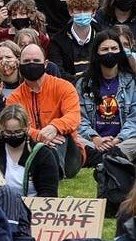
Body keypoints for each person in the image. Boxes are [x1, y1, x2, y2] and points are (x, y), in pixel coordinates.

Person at [74, 31, 136, 165]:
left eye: (114, 48)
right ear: (96, 53)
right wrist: (95, 138)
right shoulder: (84, 83)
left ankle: (102, 156)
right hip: (93, 141)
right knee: (71, 138)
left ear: (120, 51)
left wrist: (118, 140)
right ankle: (116, 157)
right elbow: (79, 118)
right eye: (105, 49)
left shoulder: (133, 82)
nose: (110, 52)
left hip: (122, 141)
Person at [6, 42, 82, 176]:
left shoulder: (64, 87)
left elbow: (73, 117)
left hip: (67, 152)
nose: (31, 64)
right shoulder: (14, 98)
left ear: (46, 64)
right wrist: (39, 136)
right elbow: (14, 126)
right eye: (27, 61)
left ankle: (52, 170)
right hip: (31, 146)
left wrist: (54, 127)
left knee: (62, 133)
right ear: (19, 63)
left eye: (36, 61)